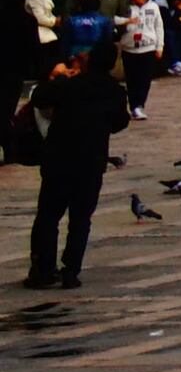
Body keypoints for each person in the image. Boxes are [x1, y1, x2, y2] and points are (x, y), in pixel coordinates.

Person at [22, 40, 131, 290]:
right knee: (81, 219)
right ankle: (71, 270)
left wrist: (57, 77)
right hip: (91, 161)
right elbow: (120, 122)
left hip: (59, 158)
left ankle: (43, 269)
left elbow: (39, 97)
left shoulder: (70, 85)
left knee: (49, 216)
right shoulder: (114, 91)